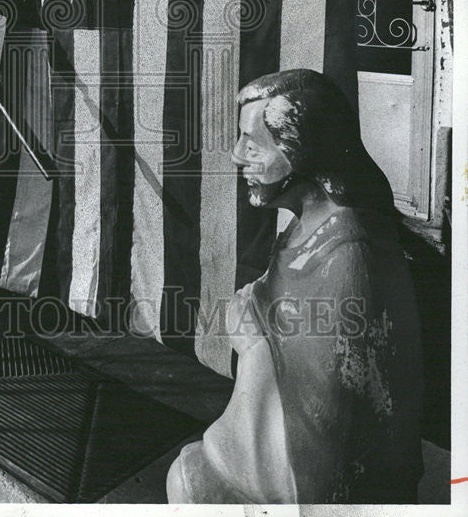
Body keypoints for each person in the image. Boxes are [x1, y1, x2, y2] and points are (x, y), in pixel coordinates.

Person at [166, 68, 424, 505]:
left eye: (253, 143)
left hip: (326, 491)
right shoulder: (308, 227)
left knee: (191, 479)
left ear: (301, 150)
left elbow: (329, 441)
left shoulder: (350, 261)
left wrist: (252, 345)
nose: (236, 155)